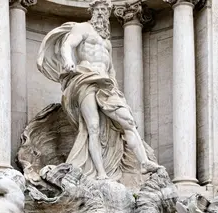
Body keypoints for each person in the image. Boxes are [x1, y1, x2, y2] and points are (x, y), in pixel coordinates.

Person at [36, 0, 160, 181]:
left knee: (129, 122)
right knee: (92, 127)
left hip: (106, 84)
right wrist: (68, 60)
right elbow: (67, 45)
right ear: (92, 10)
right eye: (99, 9)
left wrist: (116, 90)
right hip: (85, 78)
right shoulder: (82, 28)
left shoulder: (107, 43)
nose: (102, 13)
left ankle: (143, 162)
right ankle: (101, 173)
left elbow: (111, 71)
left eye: (105, 9)